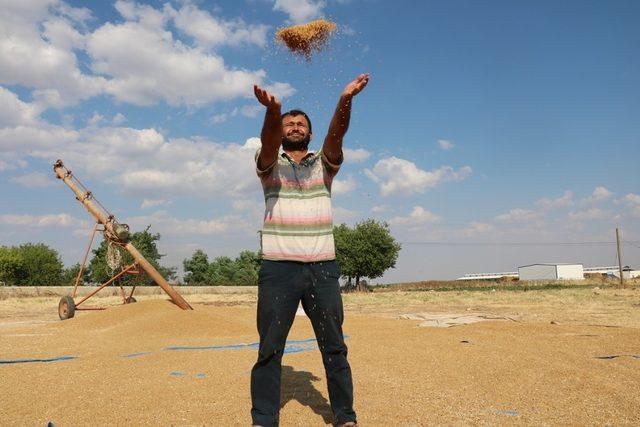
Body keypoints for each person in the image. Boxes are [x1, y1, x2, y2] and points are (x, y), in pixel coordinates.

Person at [250, 73, 370, 427]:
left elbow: (337, 135)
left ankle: (345, 416)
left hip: (323, 268)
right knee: (270, 349)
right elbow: (268, 141)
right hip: (278, 269)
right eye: (289, 123)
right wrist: (273, 112)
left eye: (301, 123)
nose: (295, 126)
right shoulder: (269, 164)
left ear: (311, 133)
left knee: (334, 346)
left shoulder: (324, 164)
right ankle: (264, 419)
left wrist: (346, 98)